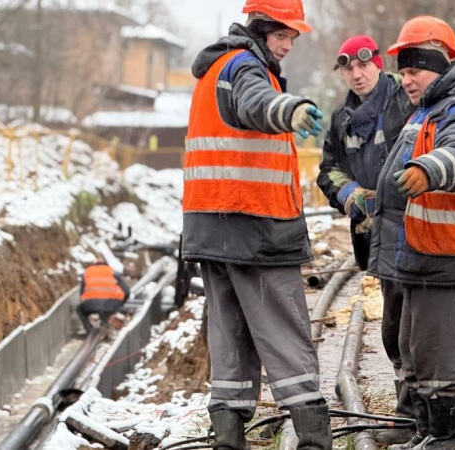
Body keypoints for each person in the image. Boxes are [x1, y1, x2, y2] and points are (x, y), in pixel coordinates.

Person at [181, 0, 331, 448]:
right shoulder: (244, 67)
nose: (288, 44)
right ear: (261, 28)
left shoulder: (216, 68)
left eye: (292, 37)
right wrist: (292, 110)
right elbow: (256, 103)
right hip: (254, 224)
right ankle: (313, 437)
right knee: (283, 327)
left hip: (211, 225)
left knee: (229, 335)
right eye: (282, 34)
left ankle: (228, 437)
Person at [367, 16, 455, 450]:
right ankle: (420, 429)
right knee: (410, 346)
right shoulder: (423, 113)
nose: (406, 79)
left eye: (414, 70)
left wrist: (429, 169)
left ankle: (444, 439)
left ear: (439, 64)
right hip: (419, 255)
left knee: (436, 356)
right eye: (402, 72)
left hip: (445, 255)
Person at [315, 35, 415, 445]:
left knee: (415, 325)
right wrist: (348, 193)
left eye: (363, 66)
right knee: (393, 325)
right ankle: (409, 414)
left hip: (413, 228)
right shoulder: (341, 120)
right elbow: (328, 169)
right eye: (348, 69)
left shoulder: (406, 105)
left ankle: (418, 415)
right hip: (375, 236)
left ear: (377, 64)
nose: (357, 75)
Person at [76, 260, 130, 333]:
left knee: (79, 310)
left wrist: (87, 302)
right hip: (111, 302)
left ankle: (88, 328)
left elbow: (82, 294)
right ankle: (104, 323)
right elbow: (127, 292)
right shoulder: (113, 272)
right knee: (106, 312)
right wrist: (121, 304)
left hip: (92, 303)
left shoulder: (87, 273)